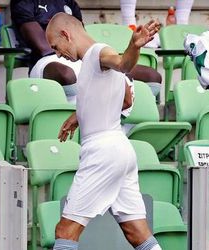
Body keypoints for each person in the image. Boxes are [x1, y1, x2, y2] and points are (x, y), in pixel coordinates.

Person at [46, 13, 162, 250]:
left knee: (65, 231)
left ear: (67, 35)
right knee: (137, 232)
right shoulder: (94, 60)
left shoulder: (97, 53)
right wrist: (80, 115)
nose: (58, 54)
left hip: (101, 154)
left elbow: (122, 63)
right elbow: (126, 101)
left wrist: (133, 46)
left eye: (56, 47)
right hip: (121, 149)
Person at [10, 0, 162, 103]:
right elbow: (45, 47)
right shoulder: (24, 1)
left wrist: (94, 61)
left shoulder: (69, 2)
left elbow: (79, 36)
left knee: (151, 76)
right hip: (45, 61)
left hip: (77, 59)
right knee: (67, 74)